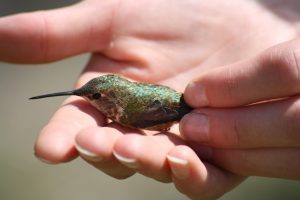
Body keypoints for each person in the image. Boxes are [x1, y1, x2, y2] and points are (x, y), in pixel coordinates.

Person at [1, 0, 299, 199]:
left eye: (94, 97)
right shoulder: (124, 101)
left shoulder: (128, 115)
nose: (89, 101)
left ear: (110, 99)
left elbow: (164, 113)